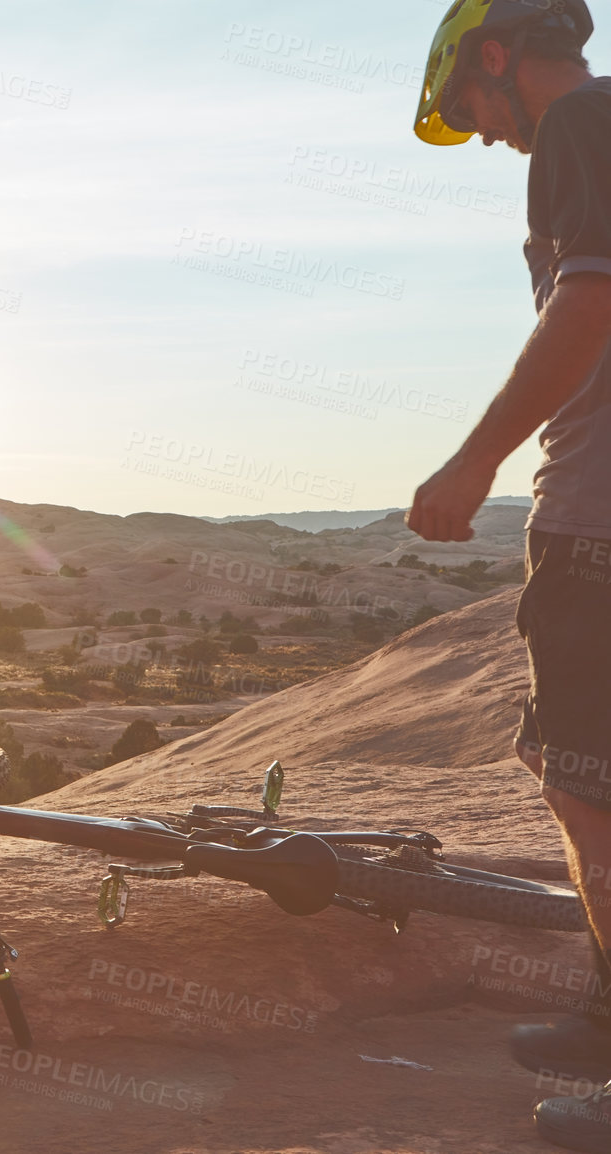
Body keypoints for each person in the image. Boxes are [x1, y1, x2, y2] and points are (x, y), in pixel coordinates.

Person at [408, 2, 611, 1148]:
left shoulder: (578, 118)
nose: (481, 135)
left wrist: (471, 461)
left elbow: (587, 305)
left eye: (464, 110)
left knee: (588, 788)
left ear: (495, 57)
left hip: (598, 522)